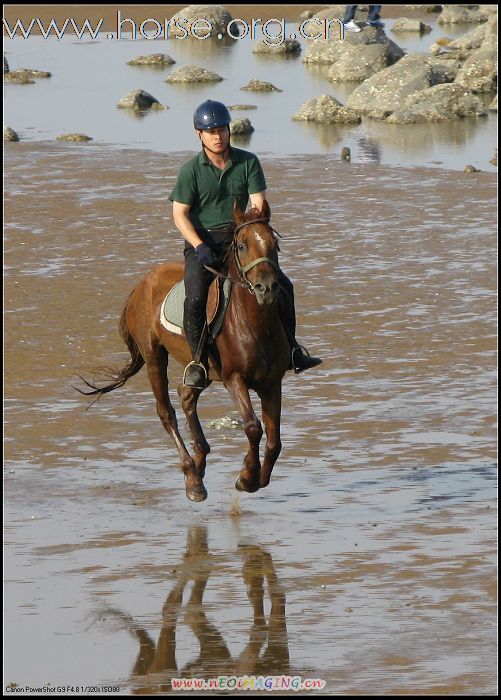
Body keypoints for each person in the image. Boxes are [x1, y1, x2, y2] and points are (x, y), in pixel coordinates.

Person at [169, 99, 322, 390]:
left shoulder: (249, 162)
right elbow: (179, 214)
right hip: (203, 241)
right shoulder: (190, 171)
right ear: (198, 135)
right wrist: (199, 245)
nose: (217, 136)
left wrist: (254, 227)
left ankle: (292, 350)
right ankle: (198, 362)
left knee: (284, 286)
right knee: (196, 294)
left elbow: (258, 201)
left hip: (242, 236)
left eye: (222, 130)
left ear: (229, 131)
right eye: (210, 131)